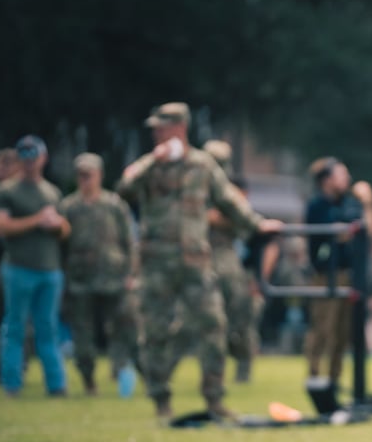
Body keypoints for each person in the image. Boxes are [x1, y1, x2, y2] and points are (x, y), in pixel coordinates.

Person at [117, 102, 282, 419]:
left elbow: (229, 200)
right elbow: (123, 189)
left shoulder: (202, 165)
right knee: (155, 331)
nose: (156, 133)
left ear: (179, 127)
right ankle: (160, 399)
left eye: (161, 127)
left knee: (213, 324)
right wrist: (153, 160)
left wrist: (258, 224)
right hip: (155, 262)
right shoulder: (149, 165)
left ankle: (214, 399)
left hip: (195, 261)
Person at [0, 135, 69, 396]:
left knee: (48, 328)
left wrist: (57, 224)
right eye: (24, 157)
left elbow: (64, 232)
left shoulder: (52, 192)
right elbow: (0, 226)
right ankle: (11, 384)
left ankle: (56, 386)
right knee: (15, 327)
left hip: (50, 270)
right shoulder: (6, 191)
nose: (29, 162)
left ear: (43, 158)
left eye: (33, 156)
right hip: (18, 268)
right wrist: (37, 219)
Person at [58, 152, 139, 395]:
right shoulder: (68, 207)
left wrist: (131, 274)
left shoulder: (114, 205)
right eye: (81, 176)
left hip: (114, 277)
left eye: (89, 175)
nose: (85, 180)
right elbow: (60, 246)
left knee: (121, 328)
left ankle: (120, 372)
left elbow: (130, 242)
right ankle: (88, 379)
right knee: (83, 332)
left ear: (100, 175)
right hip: (80, 279)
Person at [302, 157, 372, 399]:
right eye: (341, 174)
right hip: (325, 276)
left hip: (349, 274)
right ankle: (314, 379)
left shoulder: (351, 203)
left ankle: (333, 381)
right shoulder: (317, 206)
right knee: (322, 328)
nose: (347, 179)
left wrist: (368, 203)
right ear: (327, 180)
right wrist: (354, 230)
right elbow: (343, 234)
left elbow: (370, 232)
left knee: (342, 333)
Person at [203, 139, 262, 384]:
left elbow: (245, 223)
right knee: (206, 319)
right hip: (201, 256)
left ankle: (243, 365)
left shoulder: (228, 193)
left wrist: (213, 218)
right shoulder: (197, 188)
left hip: (227, 258)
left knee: (238, 316)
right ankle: (211, 373)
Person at [0, 147, 24, 385]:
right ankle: (0, 368)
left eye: (7, 164)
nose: (2, 170)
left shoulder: (25, 195)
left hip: (18, 263)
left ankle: (15, 367)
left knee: (16, 319)